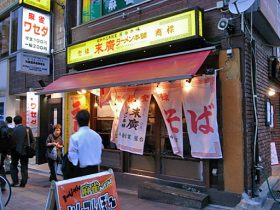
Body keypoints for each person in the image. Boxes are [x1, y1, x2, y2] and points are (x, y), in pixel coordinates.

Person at [68, 110, 103, 178]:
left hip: (81, 171)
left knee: (82, 188)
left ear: (77, 121)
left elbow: (72, 156)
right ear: (88, 120)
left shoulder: (75, 137)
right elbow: (100, 149)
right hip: (95, 170)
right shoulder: (97, 136)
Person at [10, 115, 34, 187]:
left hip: (14, 151)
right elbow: (32, 140)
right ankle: (23, 182)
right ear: (22, 121)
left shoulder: (12, 130)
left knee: (13, 165)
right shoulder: (27, 129)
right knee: (24, 166)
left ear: (14, 122)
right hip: (25, 151)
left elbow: (10, 142)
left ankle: (15, 181)